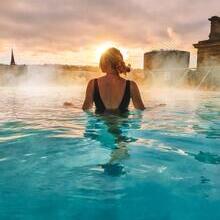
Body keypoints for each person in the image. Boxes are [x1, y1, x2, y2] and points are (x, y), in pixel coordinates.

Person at [82, 47, 145, 113]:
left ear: (104, 62)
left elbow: (86, 110)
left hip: (99, 122)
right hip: (123, 123)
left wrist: (72, 106)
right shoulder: (131, 85)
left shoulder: (92, 84)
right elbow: (140, 111)